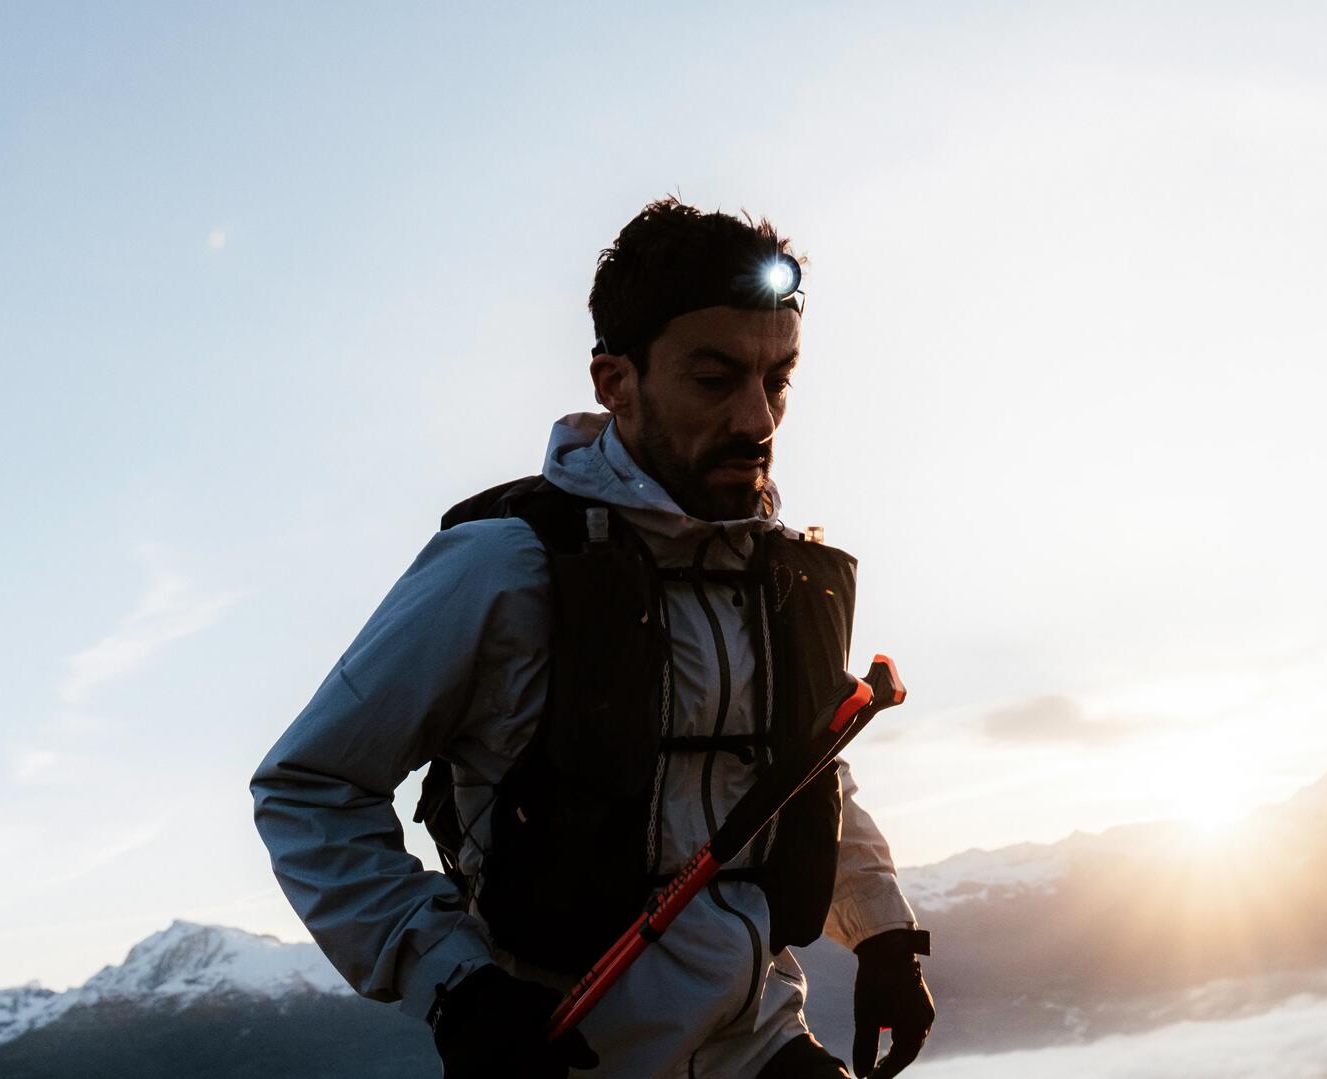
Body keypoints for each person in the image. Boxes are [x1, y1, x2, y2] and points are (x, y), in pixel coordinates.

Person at [251, 198, 935, 1078]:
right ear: (615, 381)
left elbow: (800, 777)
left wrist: (882, 933)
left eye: (779, 379)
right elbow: (308, 787)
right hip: (573, 1057)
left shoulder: (777, 575)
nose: (758, 420)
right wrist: (453, 983)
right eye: (714, 378)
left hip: (765, 1043)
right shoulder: (506, 568)